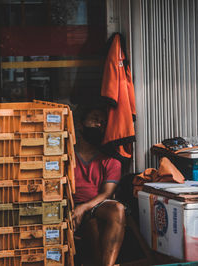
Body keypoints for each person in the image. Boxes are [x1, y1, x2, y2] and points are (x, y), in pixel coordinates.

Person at [72, 105, 125, 266]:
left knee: (118, 209)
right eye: (95, 119)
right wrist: (76, 208)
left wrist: (84, 207)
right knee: (93, 227)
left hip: (96, 206)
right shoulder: (66, 158)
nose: (99, 125)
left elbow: (107, 193)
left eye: (103, 123)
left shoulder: (111, 162)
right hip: (71, 208)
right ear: (80, 125)